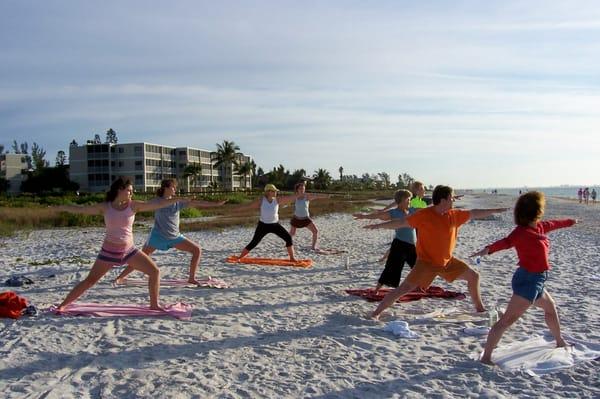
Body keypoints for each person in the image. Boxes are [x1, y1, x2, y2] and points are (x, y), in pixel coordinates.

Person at [363, 185, 508, 319]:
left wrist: (494, 210)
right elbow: (401, 223)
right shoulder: (424, 215)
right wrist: (378, 226)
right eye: (452, 198)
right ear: (443, 200)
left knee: (474, 277)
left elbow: (474, 213)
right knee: (404, 288)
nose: (454, 200)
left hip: (447, 261)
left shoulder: (454, 215)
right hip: (426, 263)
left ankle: (480, 309)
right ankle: (376, 313)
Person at [471, 191, 576, 365]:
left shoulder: (539, 227)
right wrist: (487, 249)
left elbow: (555, 223)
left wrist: (571, 222)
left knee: (551, 308)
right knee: (506, 321)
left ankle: (559, 341)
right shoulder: (521, 232)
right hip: (528, 281)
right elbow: (505, 242)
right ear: (535, 210)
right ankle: (486, 357)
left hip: (538, 280)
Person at [55, 177, 183, 311]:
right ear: (119, 190)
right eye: (129, 191)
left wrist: (176, 199)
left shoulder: (133, 205)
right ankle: (62, 305)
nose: (131, 194)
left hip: (129, 251)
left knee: (155, 272)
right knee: (90, 280)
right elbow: (81, 209)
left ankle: (154, 305)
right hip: (108, 252)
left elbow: (157, 204)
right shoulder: (106, 207)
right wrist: (61, 207)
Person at [114, 179, 226, 285]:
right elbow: (140, 205)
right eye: (173, 187)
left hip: (174, 237)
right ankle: (120, 277)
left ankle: (191, 278)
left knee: (197, 250)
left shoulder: (177, 202)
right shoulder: (156, 201)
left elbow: (197, 203)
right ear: (166, 188)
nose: (175, 190)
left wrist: (216, 204)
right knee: (141, 257)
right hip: (157, 236)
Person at [354, 189, 417, 291]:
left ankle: (419, 286)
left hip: (412, 245)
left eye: (410, 199)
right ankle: (377, 289)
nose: (410, 202)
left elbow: (426, 211)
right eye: (408, 200)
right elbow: (378, 215)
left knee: (417, 267)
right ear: (401, 200)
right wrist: (364, 216)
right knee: (391, 269)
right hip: (399, 244)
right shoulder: (394, 212)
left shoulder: (412, 211)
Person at [237, 184, 298, 261]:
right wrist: (237, 209)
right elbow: (249, 206)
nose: (276, 192)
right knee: (254, 242)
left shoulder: (277, 200)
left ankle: (292, 258)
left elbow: (290, 198)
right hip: (263, 226)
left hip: (275, 225)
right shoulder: (261, 200)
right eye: (274, 191)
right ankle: (240, 257)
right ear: (269, 192)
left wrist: (299, 195)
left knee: (288, 238)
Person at [378, 181, 428, 262]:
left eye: (424, 188)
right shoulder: (412, 199)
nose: (424, 190)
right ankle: (385, 257)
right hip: (411, 224)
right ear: (416, 190)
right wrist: (384, 210)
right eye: (422, 189)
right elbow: (396, 203)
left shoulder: (422, 201)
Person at [289, 181, 329, 250]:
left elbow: (317, 196)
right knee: (292, 233)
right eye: (300, 188)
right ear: (297, 190)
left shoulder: (307, 197)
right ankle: (288, 244)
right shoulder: (295, 197)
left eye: (303, 188)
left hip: (306, 219)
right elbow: (284, 200)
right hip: (296, 219)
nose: (302, 190)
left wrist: (325, 196)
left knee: (315, 231)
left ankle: (313, 246)